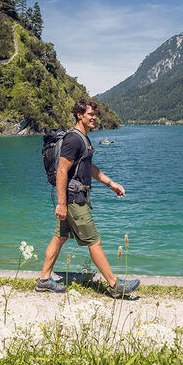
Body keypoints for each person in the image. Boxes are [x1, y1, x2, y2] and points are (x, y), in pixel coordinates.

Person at [36, 98, 140, 298]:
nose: (95, 118)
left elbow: (88, 168)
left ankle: (43, 280)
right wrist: (62, 204)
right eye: (90, 114)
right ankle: (114, 284)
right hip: (74, 199)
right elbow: (61, 171)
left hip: (74, 196)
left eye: (95, 114)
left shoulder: (83, 139)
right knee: (94, 241)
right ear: (79, 115)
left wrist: (111, 184)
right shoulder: (74, 139)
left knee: (60, 238)